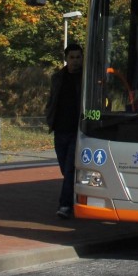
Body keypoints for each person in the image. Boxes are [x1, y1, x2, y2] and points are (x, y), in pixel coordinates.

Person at [45, 42, 83, 220]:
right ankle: (75, 197)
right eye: (72, 57)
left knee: (69, 169)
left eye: (78, 57)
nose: (75, 61)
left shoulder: (86, 79)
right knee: (64, 168)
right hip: (60, 129)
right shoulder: (57, 77)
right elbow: (53, 99)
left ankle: (65, 205)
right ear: (66, 59)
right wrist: (49, 117)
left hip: (77, 130)